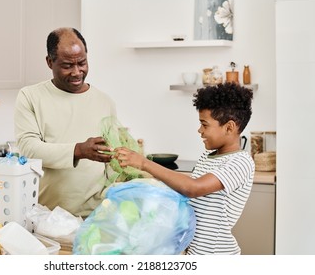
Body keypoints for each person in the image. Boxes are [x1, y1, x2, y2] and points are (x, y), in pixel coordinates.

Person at [114, 82, 255, 255]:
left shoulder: (240, 161)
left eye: (205, 124)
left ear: (229, 127)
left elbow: (193, 188)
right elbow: (186, 192)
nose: (200, 130)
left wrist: (144, 163)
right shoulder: (208, 156)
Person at [14, 27, 116, 217]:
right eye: (67, 65)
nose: (77, 72)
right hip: (48, 216)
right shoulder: (30, 96)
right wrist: (78, 150)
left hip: (96, 216)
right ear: (49, 62)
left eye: (82, 63)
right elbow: (28, 148)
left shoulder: (104, 101)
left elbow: (111, 161)